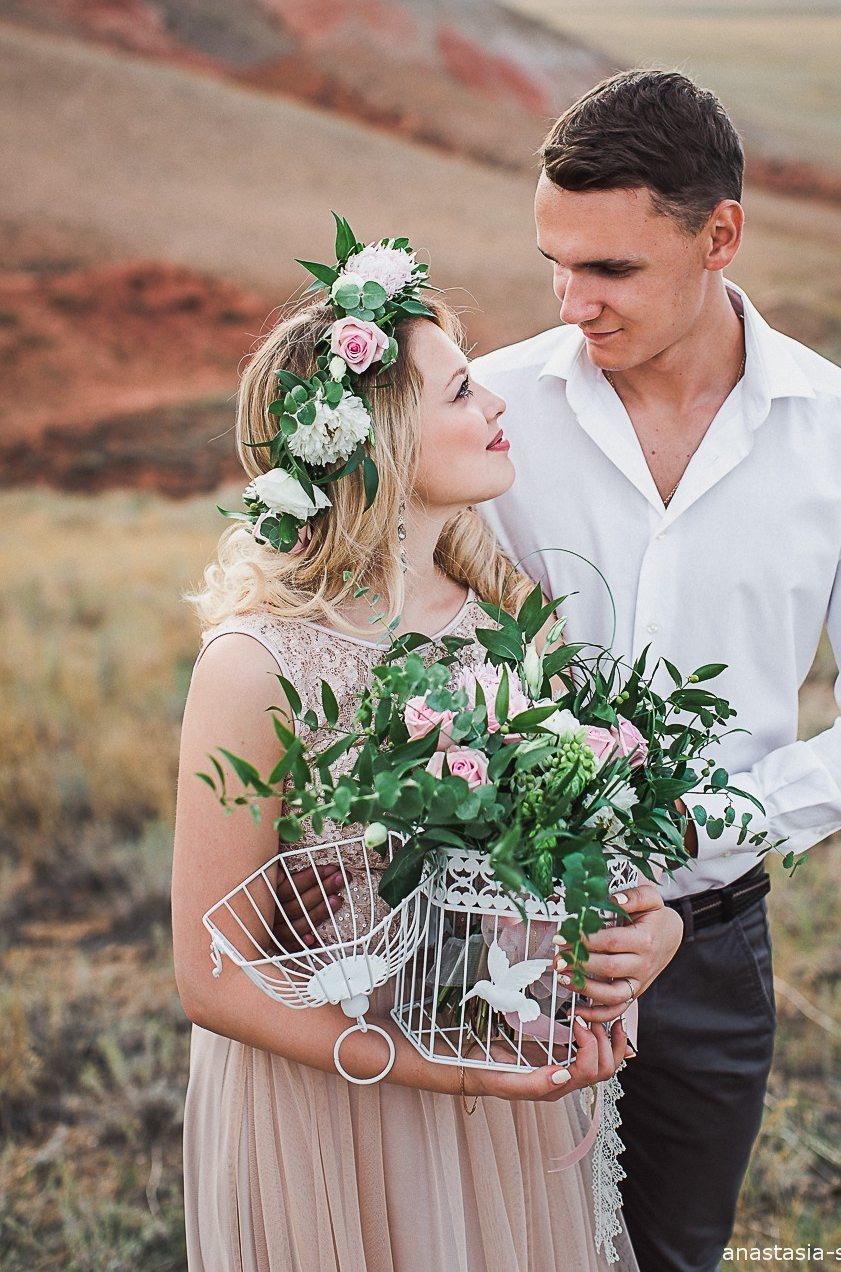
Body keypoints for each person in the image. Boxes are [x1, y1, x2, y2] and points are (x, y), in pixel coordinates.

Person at [472, 69, 841, 1272]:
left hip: (711, 943)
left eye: (612, 271)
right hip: (482, 927)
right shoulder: (490, 409)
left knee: (673, 1252)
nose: (572, 302)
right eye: (555, 265)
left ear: (719, 236)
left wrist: (687, 851)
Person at [173, 281, 683, 1272]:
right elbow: (210, 972)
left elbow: (591, 857)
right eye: (460, 392)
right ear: (380, 441)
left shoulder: (512, 620)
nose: (495, 407)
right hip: (332, 1107)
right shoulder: (257, 664)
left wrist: (644, 931)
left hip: (501, 1084)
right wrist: (435, 1076)